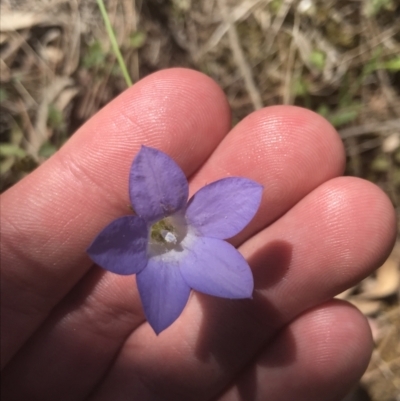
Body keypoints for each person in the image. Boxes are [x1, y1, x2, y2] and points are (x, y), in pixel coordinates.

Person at [0, 68, 396, 401]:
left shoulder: (187, 198)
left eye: (164, 229)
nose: (168, 234)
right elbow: (123, 235)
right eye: (162, 230)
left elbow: (242, 202)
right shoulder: (132, 224)